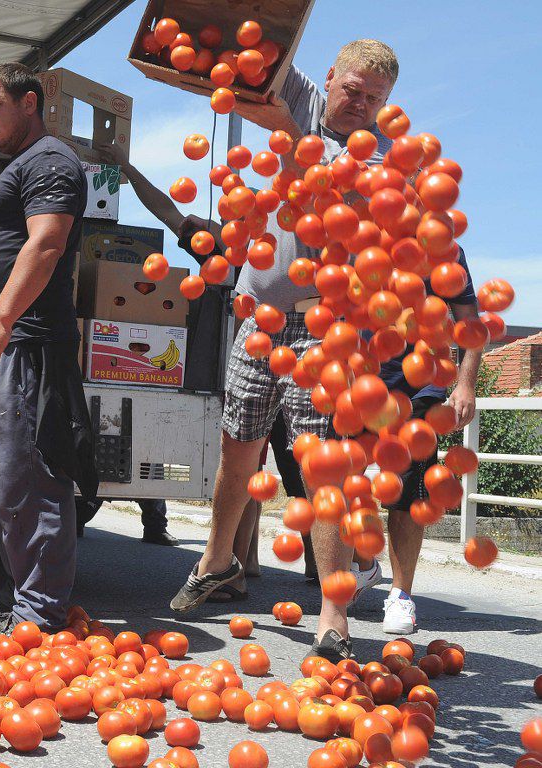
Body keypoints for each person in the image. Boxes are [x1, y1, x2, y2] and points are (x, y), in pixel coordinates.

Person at [170, 40, 399, 663]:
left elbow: (352, 211)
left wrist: (298, 141)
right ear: (333, 77)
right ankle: (217, 560)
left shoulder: (382, 153)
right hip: (255, 315)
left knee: (327, 468)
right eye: (353, 92)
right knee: (237, 444)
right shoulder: (305, 98)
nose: (360, 106)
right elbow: (261, 50)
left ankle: (333, 616)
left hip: (328, 326)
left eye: (374, 100)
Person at [0, 63, 97, 634]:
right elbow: (9, 248)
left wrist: (1, 319)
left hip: (29, 346)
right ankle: (20, 599)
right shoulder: (23, 166)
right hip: (4, 342)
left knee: (30, 478)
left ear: (29, 103)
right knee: (2, 482)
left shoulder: (51, 160)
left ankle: (41, 613)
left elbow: (48, 242)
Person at [351, 255, 481, 634]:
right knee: (348, 484)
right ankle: (363, 565)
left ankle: (401, 594)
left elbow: (470, 322)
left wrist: (466, 382)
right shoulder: (358, 233)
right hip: (359, 381)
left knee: (408, 491)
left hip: (420, 386)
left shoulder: (442, 249)